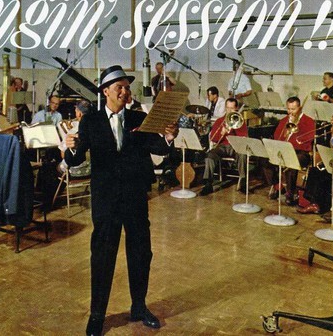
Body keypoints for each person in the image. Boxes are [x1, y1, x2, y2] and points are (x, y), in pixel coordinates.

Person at [65, 65, 178, 336]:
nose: (125, 92)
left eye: (127, 87)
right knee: (102, 256)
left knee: (141, 253)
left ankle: (139, 306)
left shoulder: (139, 117)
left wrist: (169, 137)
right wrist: (70, 147)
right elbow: (75, 159)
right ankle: (97, 315)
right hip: (105, 201)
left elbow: (159, 148)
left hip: (135, 198)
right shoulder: (91, 121)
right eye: (120, 87)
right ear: (106, 91)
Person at [264, 96, 315, 205]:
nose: (290, 112)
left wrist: (297, 130)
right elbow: (276, 137)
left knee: (291, 163)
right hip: (284, 150)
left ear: (299, 108)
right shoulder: (284, 121)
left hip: (301, 152)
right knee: (264, 160)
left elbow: (308, 140)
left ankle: (290, 194)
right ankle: (277, 186)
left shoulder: (308, 121)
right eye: (288, 109)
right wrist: (285, 133)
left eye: (293, 109)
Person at [201, 98, 248, 195]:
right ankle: (208, 184)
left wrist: (234, 128)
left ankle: (243, 182)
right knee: (210, 156)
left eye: (232, 108)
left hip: (235, 146)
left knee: (243, 155)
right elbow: (213, 139)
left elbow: (244, 138)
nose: (229, 110)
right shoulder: (219, 121)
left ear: (236, 108)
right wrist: (221, 133)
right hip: (222, 146)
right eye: (227, 108)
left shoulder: (240, 121)